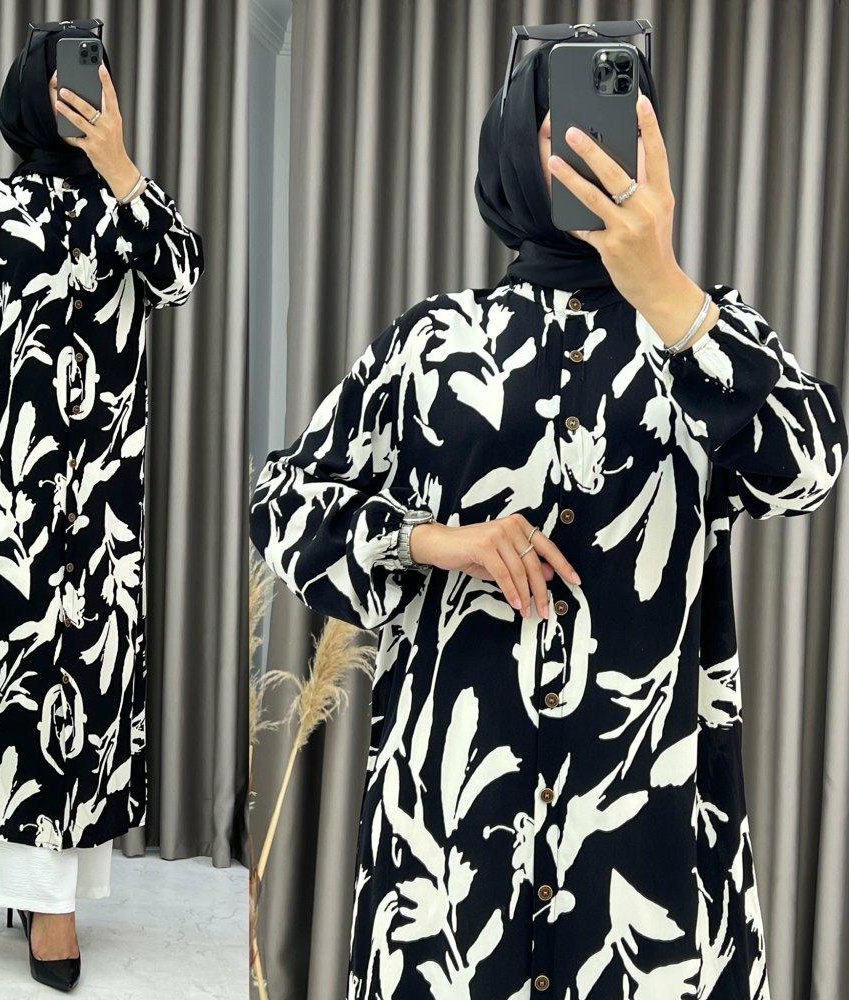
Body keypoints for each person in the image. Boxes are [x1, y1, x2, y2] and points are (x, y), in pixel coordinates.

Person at [249, 37, 845, 1000]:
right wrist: (429, 540)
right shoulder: (433, 342)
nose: (587, 145)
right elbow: (282, 500)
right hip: (447, 857)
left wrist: (669, 292)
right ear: (511, 146)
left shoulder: (706, 333)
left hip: (650, 846)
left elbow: (809, 467)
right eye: (558, 120)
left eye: (614, 123)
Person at [0, 22, 203, 993]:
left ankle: (50, 891)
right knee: (21, 682)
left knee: (88, 694)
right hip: (9, 496)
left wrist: (120, 164)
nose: (89, 92)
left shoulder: (131, 205)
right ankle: (47, 906)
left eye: (101, 80)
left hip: (106, 503)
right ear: (35, 93)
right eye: (73, 80)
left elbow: (180, 277)